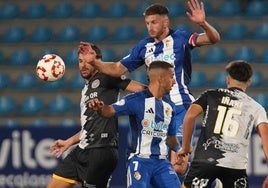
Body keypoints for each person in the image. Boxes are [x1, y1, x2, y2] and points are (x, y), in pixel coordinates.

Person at [83, 0, 220, 178]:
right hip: (155, 110)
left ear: (166, 22)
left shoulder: (181, 38)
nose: (150, 27)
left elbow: (213, 38)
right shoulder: (144, 46)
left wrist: (203, 23)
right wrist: (95, 62)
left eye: (154, 22)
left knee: (177, 165)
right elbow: (117, 69)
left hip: (180, 107)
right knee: (156, 161)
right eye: (147, 23)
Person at [47, 42, 146, 188]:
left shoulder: (107, 76)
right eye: (80, 61)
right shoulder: (85, 90)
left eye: (88, 61)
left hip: (102, 151)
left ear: (96, 61)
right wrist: (68, 142)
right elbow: (89, 127)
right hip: (82, 150)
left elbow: (142, 90)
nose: (84, 65)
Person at [88, 60, 182, 188]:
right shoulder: (136, 100)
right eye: (172, 77)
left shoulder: (170, 106)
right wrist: (100, 108)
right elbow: (109, 111)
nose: (174, 81)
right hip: (140, 160)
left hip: (162, 163)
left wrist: (179, 150)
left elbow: (171, 138)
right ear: (161, 78)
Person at [178, 60, 268, 187]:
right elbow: (266, 139)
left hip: (206, 161)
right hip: (235, 166)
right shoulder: (256, 107)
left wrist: (186, 147)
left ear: (228, 79)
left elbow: (190, 116)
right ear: (249, 82)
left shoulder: (210, 95)